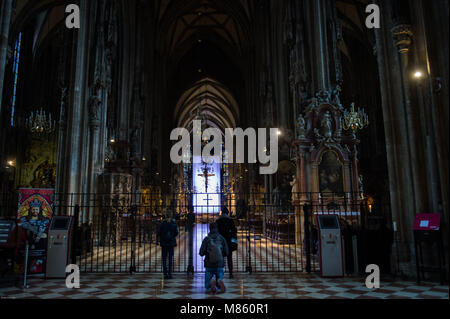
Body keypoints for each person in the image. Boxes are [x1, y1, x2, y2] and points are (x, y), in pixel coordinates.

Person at [199, 222, 229, 294]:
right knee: (220, 273)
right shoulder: (222, 238)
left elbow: (201, 253)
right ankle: (219, 281)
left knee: (208, 275)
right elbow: (227, 252)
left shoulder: (207, 239)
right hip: (219, 263)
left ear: (210, 229)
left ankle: (210, 284)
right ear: (217, 228)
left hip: (209, 264)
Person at [216, 206, 237, 278]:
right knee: (229, 257)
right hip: (228, 241)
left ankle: (220, 273)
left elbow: (216, 231)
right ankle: (230, 273)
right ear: (227, 213)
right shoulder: (230, 221)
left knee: (220, 257)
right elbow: (234, 231)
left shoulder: (218, 221)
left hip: (220, 241)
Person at [157, 209, 178, 279]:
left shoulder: (162, 223)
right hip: (171, 242)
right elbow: (176, 233)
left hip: (164, 242)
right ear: (171, 215)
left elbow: (158, 232)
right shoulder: (173, 223)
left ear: (165, 215)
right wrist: (171, 236)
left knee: (164, 258)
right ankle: (170, 273)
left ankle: (165, 273)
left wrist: (163, 236)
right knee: (170, 258)